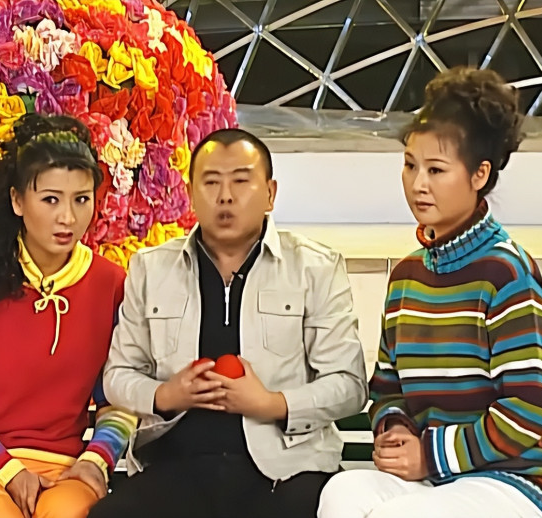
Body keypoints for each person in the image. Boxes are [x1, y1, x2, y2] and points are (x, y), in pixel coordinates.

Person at [317, 67, 542, 518]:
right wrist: (395, 431)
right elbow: (388, 388)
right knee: (342, 496)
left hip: (524, 484)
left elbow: (527, 411)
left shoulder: (508, 275)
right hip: (442, 480)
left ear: (479, 174)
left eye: (436, 170)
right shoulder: (407, 277)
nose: (418, 184)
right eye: (410, 165)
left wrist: (430, 454)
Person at [88, 128, 368, 518]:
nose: (225, 196)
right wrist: (165, 395)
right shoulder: (151, 269)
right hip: (176, 468)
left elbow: (349, 384)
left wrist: (272, 404)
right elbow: (118, 375)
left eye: (240, 181)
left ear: (270, 193)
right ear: (190, 193)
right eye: (211, 182)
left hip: (287, 471)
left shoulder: (315, 268)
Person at [0, 113, 137, 518]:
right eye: (51, 199)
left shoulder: (112, 285)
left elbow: (121, 399)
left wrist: (96, 461)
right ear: (18, 200)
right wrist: (10, 472)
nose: (68, 217)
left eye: (81, 199)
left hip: (62, 469)